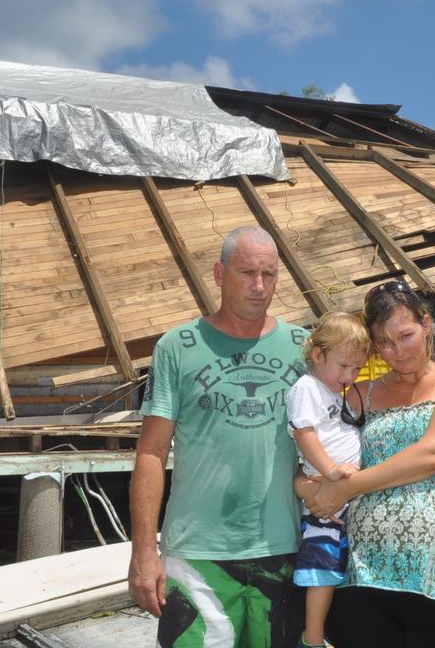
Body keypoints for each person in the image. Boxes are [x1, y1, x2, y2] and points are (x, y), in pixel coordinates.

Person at [129, 226, 309, 648]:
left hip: (282, 548)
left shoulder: (304, 348)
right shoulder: (178, 347)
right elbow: (151, 452)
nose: (259, 286)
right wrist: (143, 552)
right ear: (219, 273)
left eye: (269, 274)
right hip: (197, 554)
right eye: (247, 272)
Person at [299, 280, 435, 648]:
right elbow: (312, 453)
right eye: (384, 343)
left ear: (426, 323)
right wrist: (309, 489)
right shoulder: (360, 394)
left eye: (405, 336)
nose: (397, 351)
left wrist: (347, 487)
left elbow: (434, 454)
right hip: (364, 576)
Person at [286, 312, 370, 648]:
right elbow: (304, 434)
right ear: (318, 355)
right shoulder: (308, 387)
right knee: (322, 569)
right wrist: (333, 470)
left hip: (343, 492)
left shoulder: (332, 390)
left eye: (357, 369)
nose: (349, 376)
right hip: (326, 489)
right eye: (343, 366)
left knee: (339, 565)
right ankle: (313, 637)